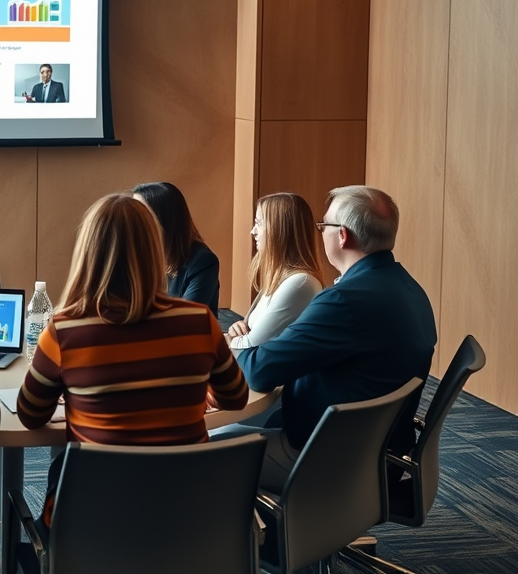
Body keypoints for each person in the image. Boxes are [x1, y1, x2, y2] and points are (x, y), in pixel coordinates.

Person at [17, 193, 247, 532]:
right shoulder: (200, 321)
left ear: (87, 253)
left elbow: (30, 414)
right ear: (155, 250)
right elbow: (236, 397)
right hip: (187, 518)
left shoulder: (64, 331)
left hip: (97, 522)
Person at [228, 185, 437, 491]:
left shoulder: (345, 300)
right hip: (378, 451)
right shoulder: (410, 290)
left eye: (323, 225)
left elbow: (258, 371)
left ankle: (250, 537)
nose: (320, 232)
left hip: (326, 459)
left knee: (196, 453)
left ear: (342, 236)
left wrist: (237, 345)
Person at [227, 193, 324, 353]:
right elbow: (248, 336)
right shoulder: (280, 277)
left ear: (280, 230)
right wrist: (236, 330)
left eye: (258, 223)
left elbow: (252, 346)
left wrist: (231, 339)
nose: (253, 231)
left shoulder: (300, 283)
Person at [131, 181, 220, 317]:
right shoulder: (138, 254)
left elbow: (184, 321)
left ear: (164, 220)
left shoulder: (202, 262)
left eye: (141, 215)